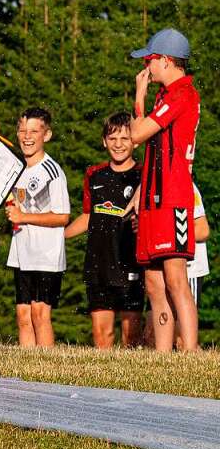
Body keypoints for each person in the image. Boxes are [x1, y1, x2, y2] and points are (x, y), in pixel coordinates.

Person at [127, 28, 200, 352]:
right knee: (154, 283)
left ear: (167, 61)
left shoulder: (182, 94)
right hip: (153, 199)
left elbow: (137, 134)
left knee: (175, 279)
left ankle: (189, 351)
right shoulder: (166, 96)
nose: (146, 67)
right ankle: (163, 352)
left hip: (172, 198)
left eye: (151, 60)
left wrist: (138, 96)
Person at [64, 112, 143, 349]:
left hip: (130, 262)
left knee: (131, 334)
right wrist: (58, 237)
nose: (118, 145)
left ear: (135, 141)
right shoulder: (94, 174)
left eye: (124, 139)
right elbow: (89, 215)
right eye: (112, 138)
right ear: (104, 141)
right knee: (102, 334)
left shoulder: (143, 174)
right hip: (98, 263)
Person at [5, 108, 70, 347]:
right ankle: (27, 367)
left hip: (46, 255)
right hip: (22, 252)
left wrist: (23, 216)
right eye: (22, 130)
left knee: (40, 315)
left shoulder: (52, 172)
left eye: (34, 131)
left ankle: (47, 369)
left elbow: (63, 216)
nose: (27, 136)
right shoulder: (17, 169)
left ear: (47, 135)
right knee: (23, 316)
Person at [188, 185, 210, 304]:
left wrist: (166, 237)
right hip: (163, 267)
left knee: (183, 320)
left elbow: (203, 231)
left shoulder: (188, 187)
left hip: (189, 269)